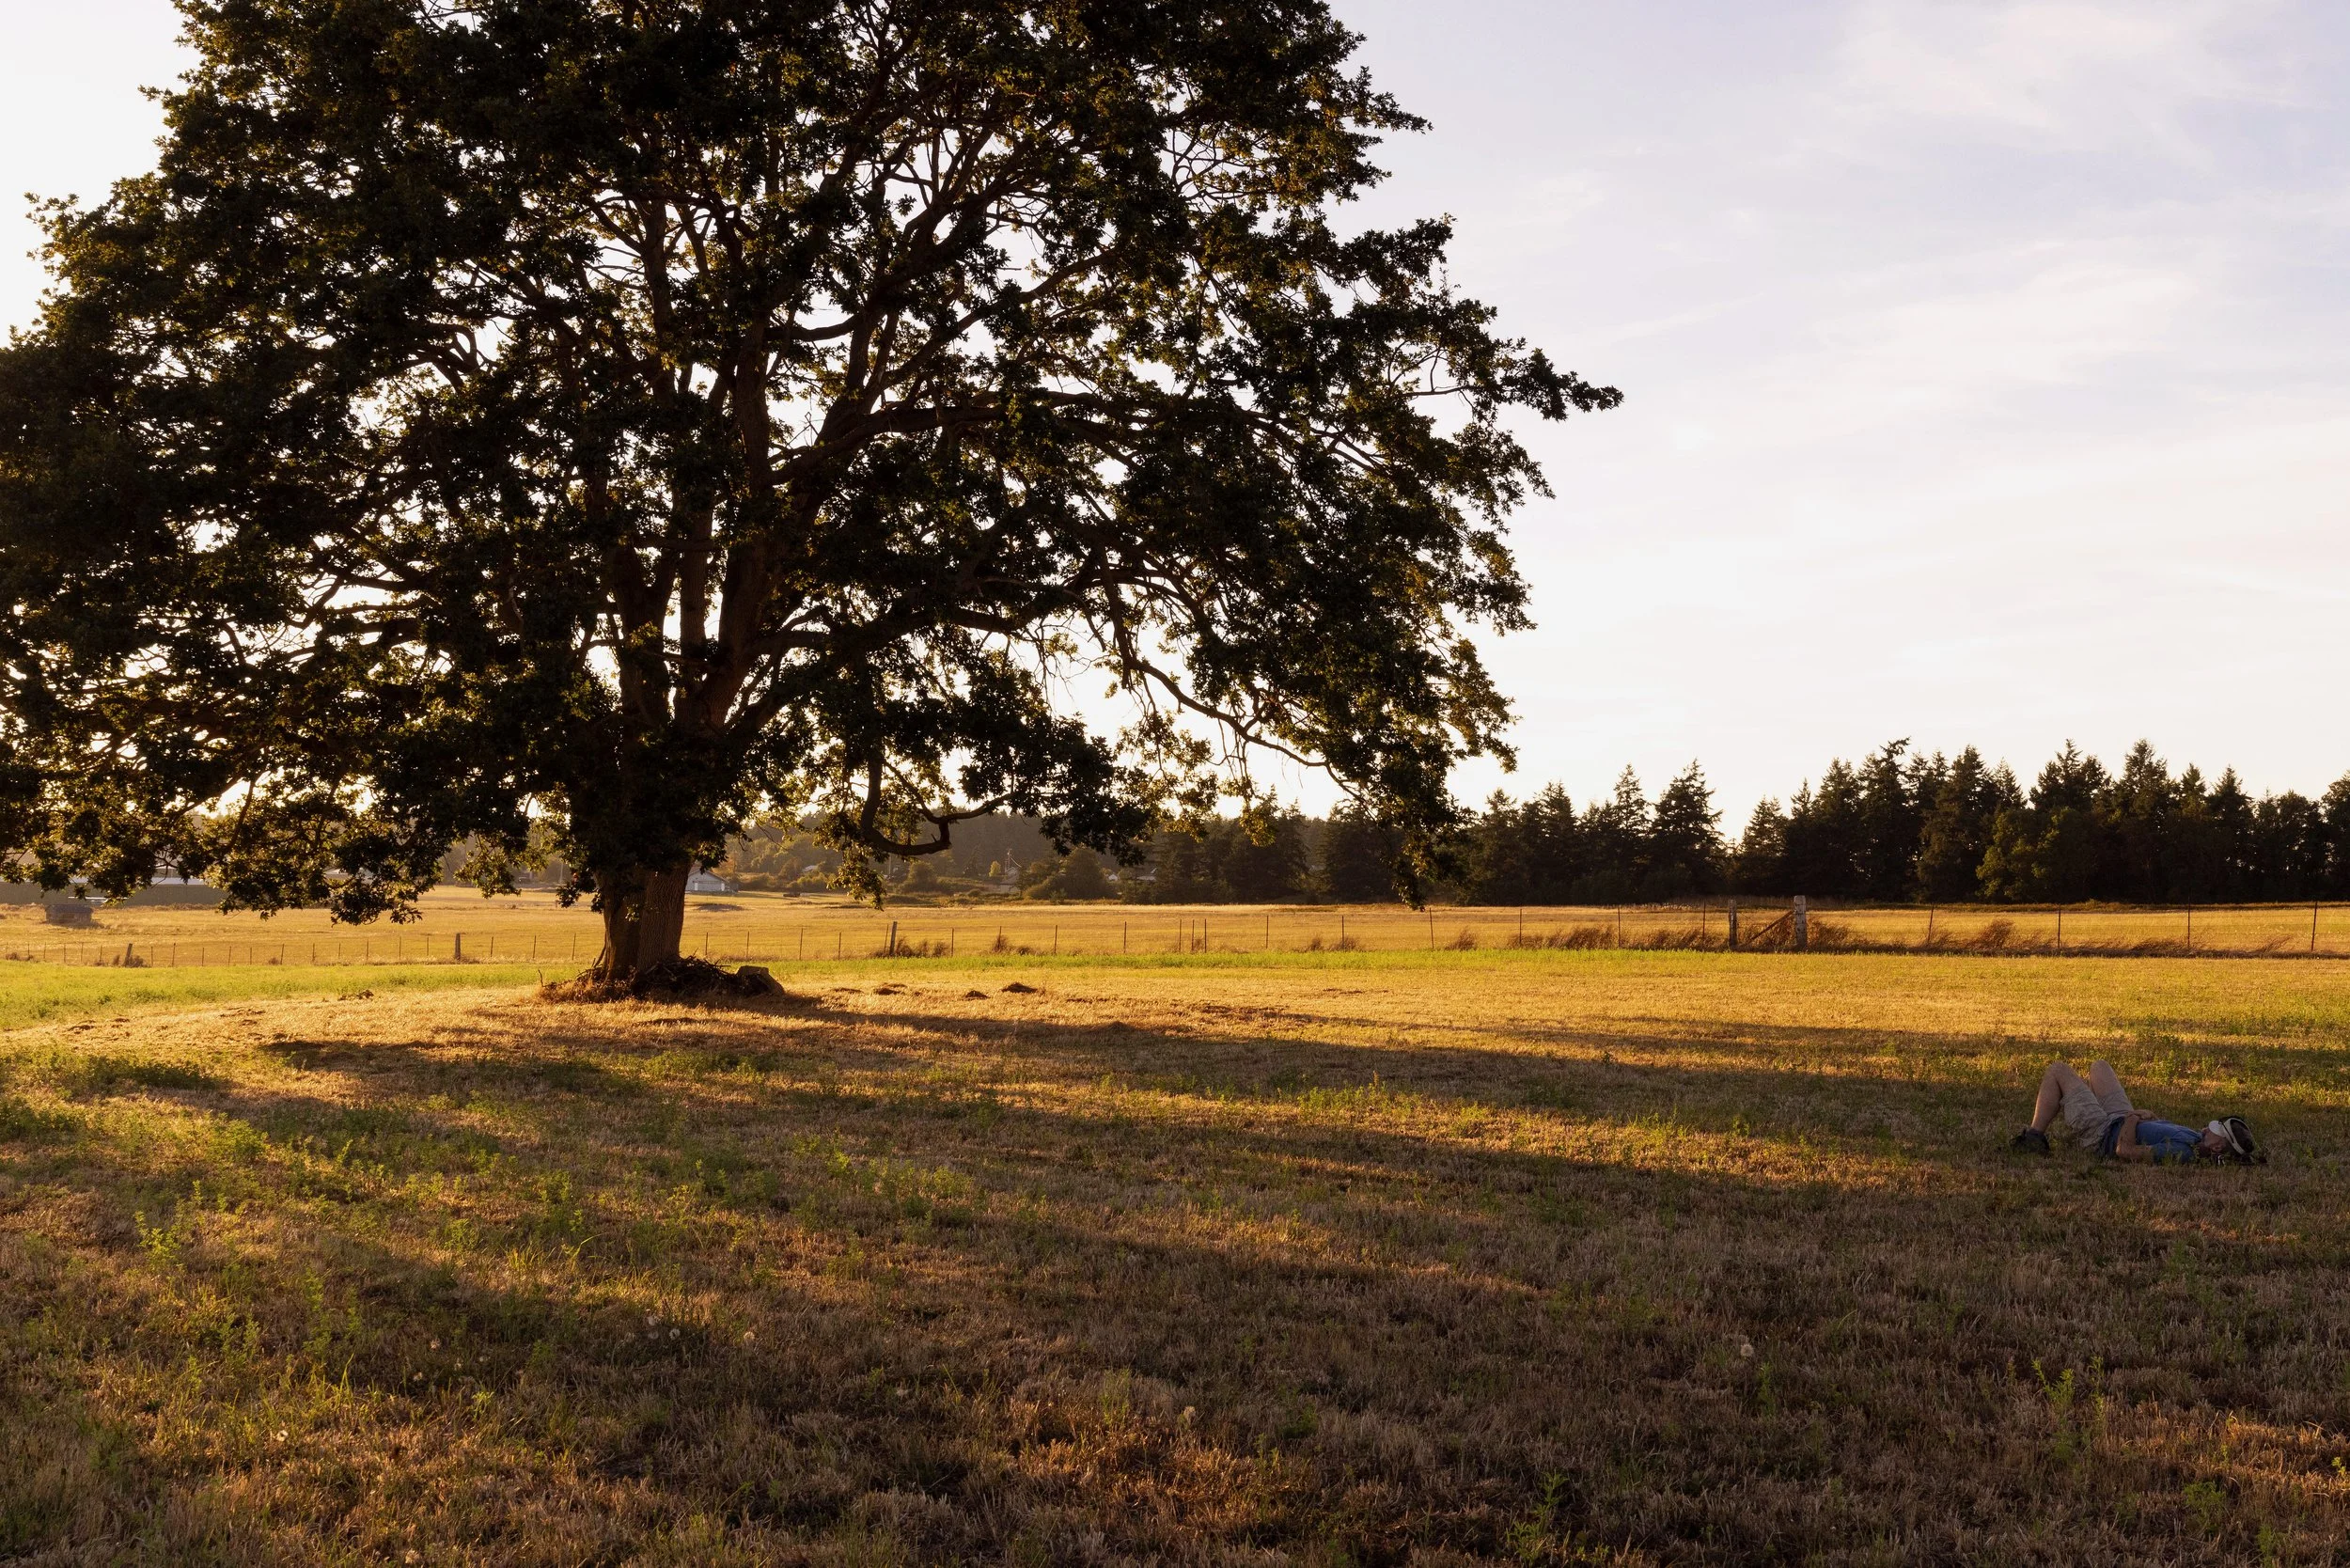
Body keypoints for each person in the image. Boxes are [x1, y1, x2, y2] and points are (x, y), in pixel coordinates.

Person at [2012, 1060, 2263, 1164]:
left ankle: (2034, 1138)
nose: (2208, 1127)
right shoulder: (2196, 1139)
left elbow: (2126, 1151)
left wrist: (2132, 1119)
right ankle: (2086, 1107)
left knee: (2058, 1070)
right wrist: (2146, 1118)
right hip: (2120, 1119)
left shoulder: (2183, 1152)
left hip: (2103, 1134)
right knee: (2100, 1066)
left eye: (2215, 1131)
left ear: (2218, 1148)